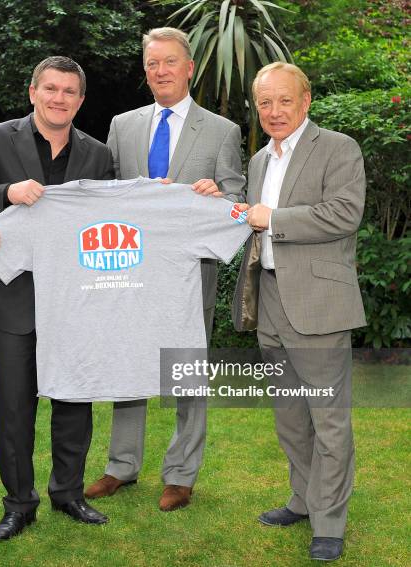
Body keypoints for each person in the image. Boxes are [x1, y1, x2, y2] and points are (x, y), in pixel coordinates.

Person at [85, 27, 245, 512]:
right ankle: (121, 466)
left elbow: (238, 199)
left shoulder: (221, 130)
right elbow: (106, 195)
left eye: (169, 62)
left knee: (186, 371)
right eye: (152, 63)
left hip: (189, 272)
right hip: (131, 271)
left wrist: (220, 198)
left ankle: (180, 474)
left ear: (189, 67)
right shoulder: (122, 125)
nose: (160, 71)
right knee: (127, 364)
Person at [0, 56, 113, 540]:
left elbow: (113, 219)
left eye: (69, 91)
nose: (58, 98)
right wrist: (7, 191)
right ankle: (19, 504)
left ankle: (69, 493)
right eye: (50, 88)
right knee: (15, 408)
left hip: (76, 302)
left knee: (73, 403)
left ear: (80, 101)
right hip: (14, 302)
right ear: (33, 92)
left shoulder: (99, 155)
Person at [232, 62, 366, 562]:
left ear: (306, 101)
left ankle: (330, 521)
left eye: (284, 100)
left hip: (318, 305)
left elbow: (344, 213)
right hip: (269, 301)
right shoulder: (260, 161)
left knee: (329, 419)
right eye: (264, 103)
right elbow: (249, 219)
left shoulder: (337, 147)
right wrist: (219, 202)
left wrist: (275, 219)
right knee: (290, 416)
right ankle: (303, 499)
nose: (273, 111)